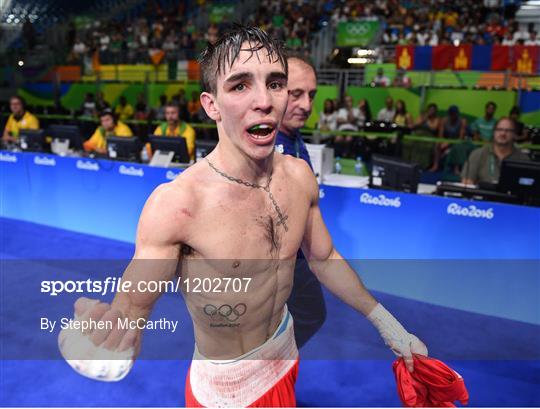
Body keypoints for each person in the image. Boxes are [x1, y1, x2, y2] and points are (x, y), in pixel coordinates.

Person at [59, 26, 427, 408]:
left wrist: (389, 326)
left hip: (285, 352)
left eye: (276, 83)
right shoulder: (178, 204)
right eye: (240, 86)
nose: (264, 100)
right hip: (226, 391)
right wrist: (112, 337)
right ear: (211, 105)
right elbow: (131, 310)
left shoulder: (299, 176)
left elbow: (324, 258)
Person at [274, 54, 327, 349]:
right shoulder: (267, 147)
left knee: (309, 315)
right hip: (279, 265)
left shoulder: (293, 136)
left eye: (311, 95)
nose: (307, 105)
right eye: (296, 94)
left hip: (299, 259)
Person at [461, 117, 529, 186]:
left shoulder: (523, 159)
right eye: (499, 129)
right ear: (494, 132)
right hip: (483, 195)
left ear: (514, 134)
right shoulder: (478, 154)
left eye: (508, 130)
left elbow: (528, 187)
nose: (503, 133)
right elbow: (467, 182)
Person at [430, 105, 467, 172]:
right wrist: (443, 143)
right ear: (449, 114)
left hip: (457, 142)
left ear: (457, 113)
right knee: (437, 145)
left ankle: (456, 169)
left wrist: (449, 143)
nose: (453, 115)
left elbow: (461, 138)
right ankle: (435, 165)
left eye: (454, 113)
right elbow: (440, 136)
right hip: (446, 141)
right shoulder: (444, 120)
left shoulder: (462, 121)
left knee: (458, 146)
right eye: (451, 113)